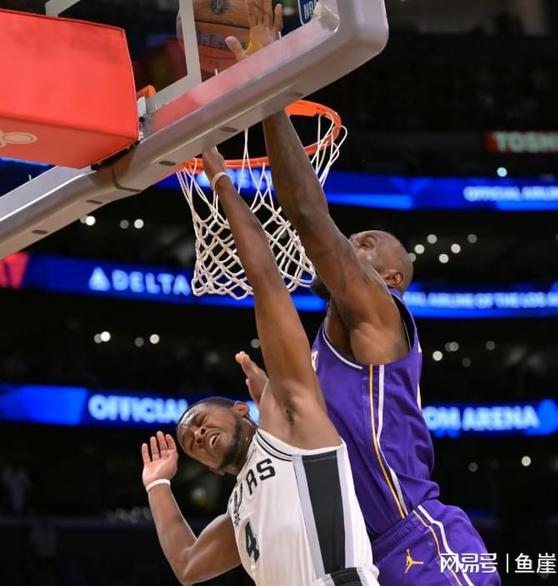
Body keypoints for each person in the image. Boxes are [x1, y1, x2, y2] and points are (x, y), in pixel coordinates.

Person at [225, 2, 501, 584]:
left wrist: (270, 82)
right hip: (365, 552)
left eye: (367, 245)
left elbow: (307, 214)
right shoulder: (322, 352)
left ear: (392, 280)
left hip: (420, 537)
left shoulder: (379, 310)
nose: (353, 244)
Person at [140, 143, 379, 586]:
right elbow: (187, 566)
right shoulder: (239, 510)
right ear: (211, 470)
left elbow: (266, 279)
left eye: (199, 422)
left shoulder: (291, 420)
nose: (197, 435)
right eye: (192, 444)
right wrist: (157, 485)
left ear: (241, 409)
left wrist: (221, 182)